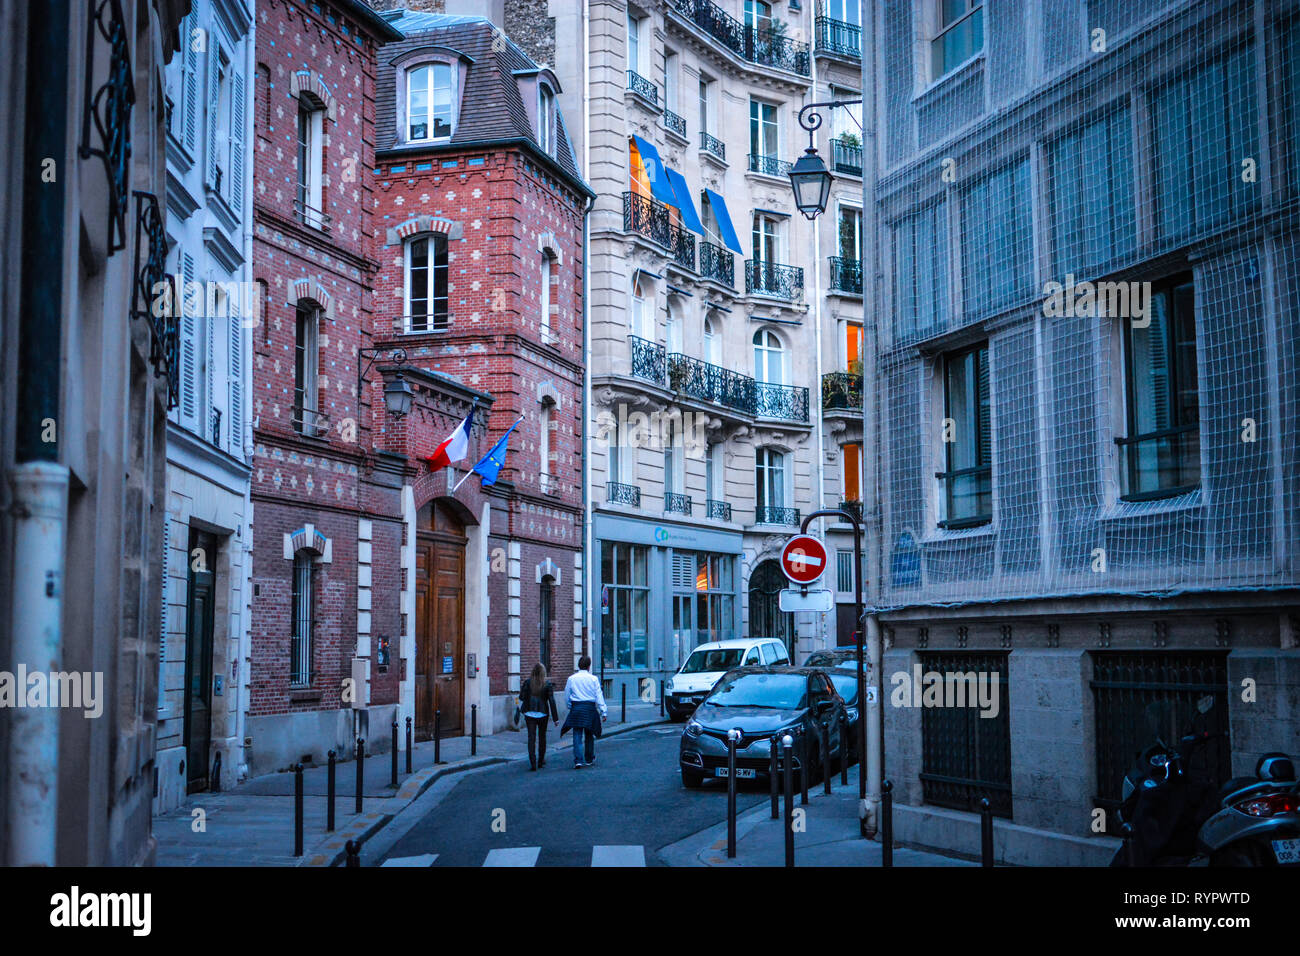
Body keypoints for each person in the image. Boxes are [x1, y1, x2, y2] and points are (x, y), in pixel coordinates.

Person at [560, 655, 607, 769]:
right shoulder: (593, 679)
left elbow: (567, 695)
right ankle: (589, 758)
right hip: (589, 708)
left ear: (579, 665)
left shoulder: (572, 678)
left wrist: (570, 706)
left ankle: (578, 760)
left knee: (577, 734)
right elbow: (598, 695)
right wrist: (603, 711)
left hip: (577, 708)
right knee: (589, 734)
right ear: (589, 666)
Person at [517, 662, 559, 771]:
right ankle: (540, 761)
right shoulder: (547, 684)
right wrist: (555, 718)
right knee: (542, 737)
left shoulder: (527, 682)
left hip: (529, 712)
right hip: (543, 713)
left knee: (531, 738)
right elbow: (552, 701)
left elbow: (521, 697)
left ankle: (532, 762)